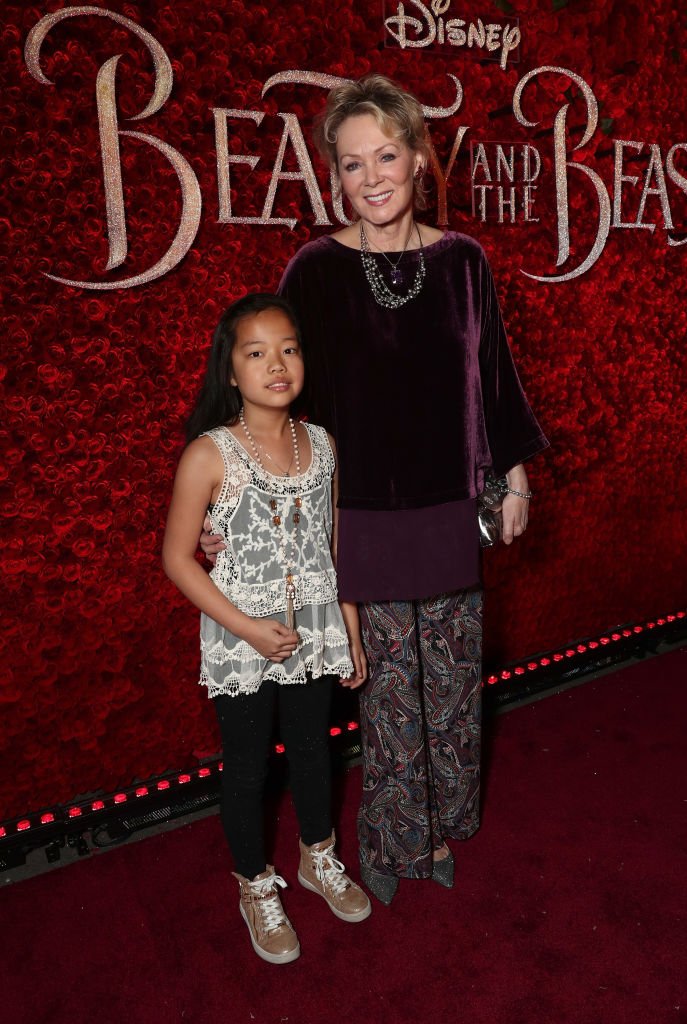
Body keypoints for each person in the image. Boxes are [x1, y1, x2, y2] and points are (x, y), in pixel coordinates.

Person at [202, 75, 548, 905]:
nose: (373, 176)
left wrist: (515, 475)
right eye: (352, 164)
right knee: (386, 695)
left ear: (420, 160)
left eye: (386, 155)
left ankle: (446, 821)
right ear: (335, 176)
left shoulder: (464, 261)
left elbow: (491, 378)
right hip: (354, 521)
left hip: (451, 509)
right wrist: (224, 501)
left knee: (454, 687)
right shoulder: (314, 270)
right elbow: (270, 390)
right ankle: (397, 842)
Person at [162, 293, 371, 965]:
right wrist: (247, 629)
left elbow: (333, 546)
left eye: (288, 348)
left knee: (315, 750)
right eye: (255, 353)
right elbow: (175, 557)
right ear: (229, 369)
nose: (275, 364)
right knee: (248, 768)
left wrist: (349, 628)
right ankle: (254, 883)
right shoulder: (210, 452)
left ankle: (318, 858)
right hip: (239, 633)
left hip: (313, 626)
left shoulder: (324, 444)